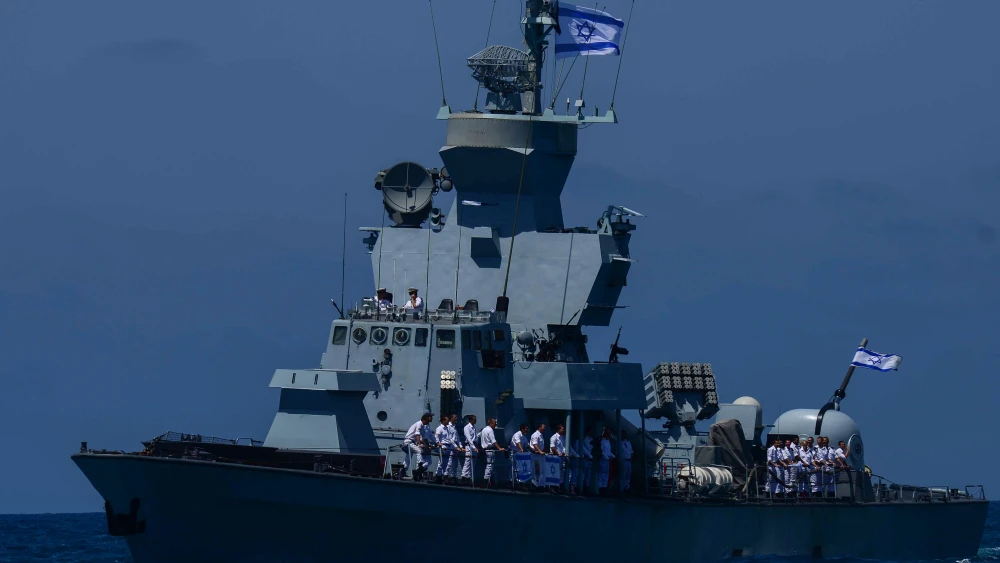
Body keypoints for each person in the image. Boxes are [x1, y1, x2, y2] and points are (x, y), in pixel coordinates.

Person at [403, 413, 433, 481]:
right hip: (409, 441)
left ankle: (403, 469)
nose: (430, 419)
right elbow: (417, 434)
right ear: (425, 419)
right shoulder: (419, 424)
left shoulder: (423, 426)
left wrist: (427, 445)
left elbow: (424, 438)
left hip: (412, 442)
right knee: (419, 451)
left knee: (409, 455)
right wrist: (420, 444)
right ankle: (420, 466)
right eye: (429, 418)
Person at [479, 418, 504, 487]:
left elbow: (479, 436)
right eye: (495, 423)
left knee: (488, 464)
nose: (495, 424)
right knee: (490, 465)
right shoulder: (490, 430)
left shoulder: (484, 429)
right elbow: (493, 441)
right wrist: (499, 448)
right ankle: (486, 481)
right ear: (491, 423)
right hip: (489, 450)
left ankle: (489, 480)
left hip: (484, 449)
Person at [433, 415, 454, 484]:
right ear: (443, 421)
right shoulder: (439, 428)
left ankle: (443, 476)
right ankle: (438, 476)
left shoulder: (448, 428)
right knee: (441, 462)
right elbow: (436, 436)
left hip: (448, 446)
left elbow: (450, 438)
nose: (448, 421)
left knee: (447, 463)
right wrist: (438, 443)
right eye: (447, 420)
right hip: (443, 446)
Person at [462, 415, 480, 485]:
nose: (476, 421)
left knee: (472, 463)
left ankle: (468, 477)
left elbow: (474, 437)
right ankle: (464, 476)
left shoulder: (474, 428)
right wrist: (473, 447)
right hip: (469, 446)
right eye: (475, 419)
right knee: (468, 462)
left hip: (474, 446)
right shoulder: (467, 428)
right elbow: (469, 438)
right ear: (471, 420)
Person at [574, 429, 594, 494]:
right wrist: (589, 455)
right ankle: (578, 488)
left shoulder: (590, 439)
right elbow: (583, 449)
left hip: (589, 459)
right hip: (583, 459)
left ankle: (586, 488)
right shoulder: (579, 441)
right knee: (581, 474)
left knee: (587, 475)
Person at [598, 427, 615, 495]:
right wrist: (607, 457)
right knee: (601, 474)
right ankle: (600, 489)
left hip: (608, 460)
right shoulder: (602, 441)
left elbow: (609, 452)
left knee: (606, 474)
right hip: (603, 459)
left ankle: (604, 488)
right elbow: (602, 451)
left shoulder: (608, 441)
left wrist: (613, 456)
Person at [447, 414, 462, 481]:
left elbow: (457, 438)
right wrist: (456, 447)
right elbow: (450, 439)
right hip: (451, 446)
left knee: (455, 463)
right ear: (451, 418)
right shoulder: (448, 427)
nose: (456, 418)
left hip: (455, 446)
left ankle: (453, 476)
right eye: (455, 417)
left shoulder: (454, 427)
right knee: (449, 462)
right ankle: (446, 476)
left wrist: (460, 446)